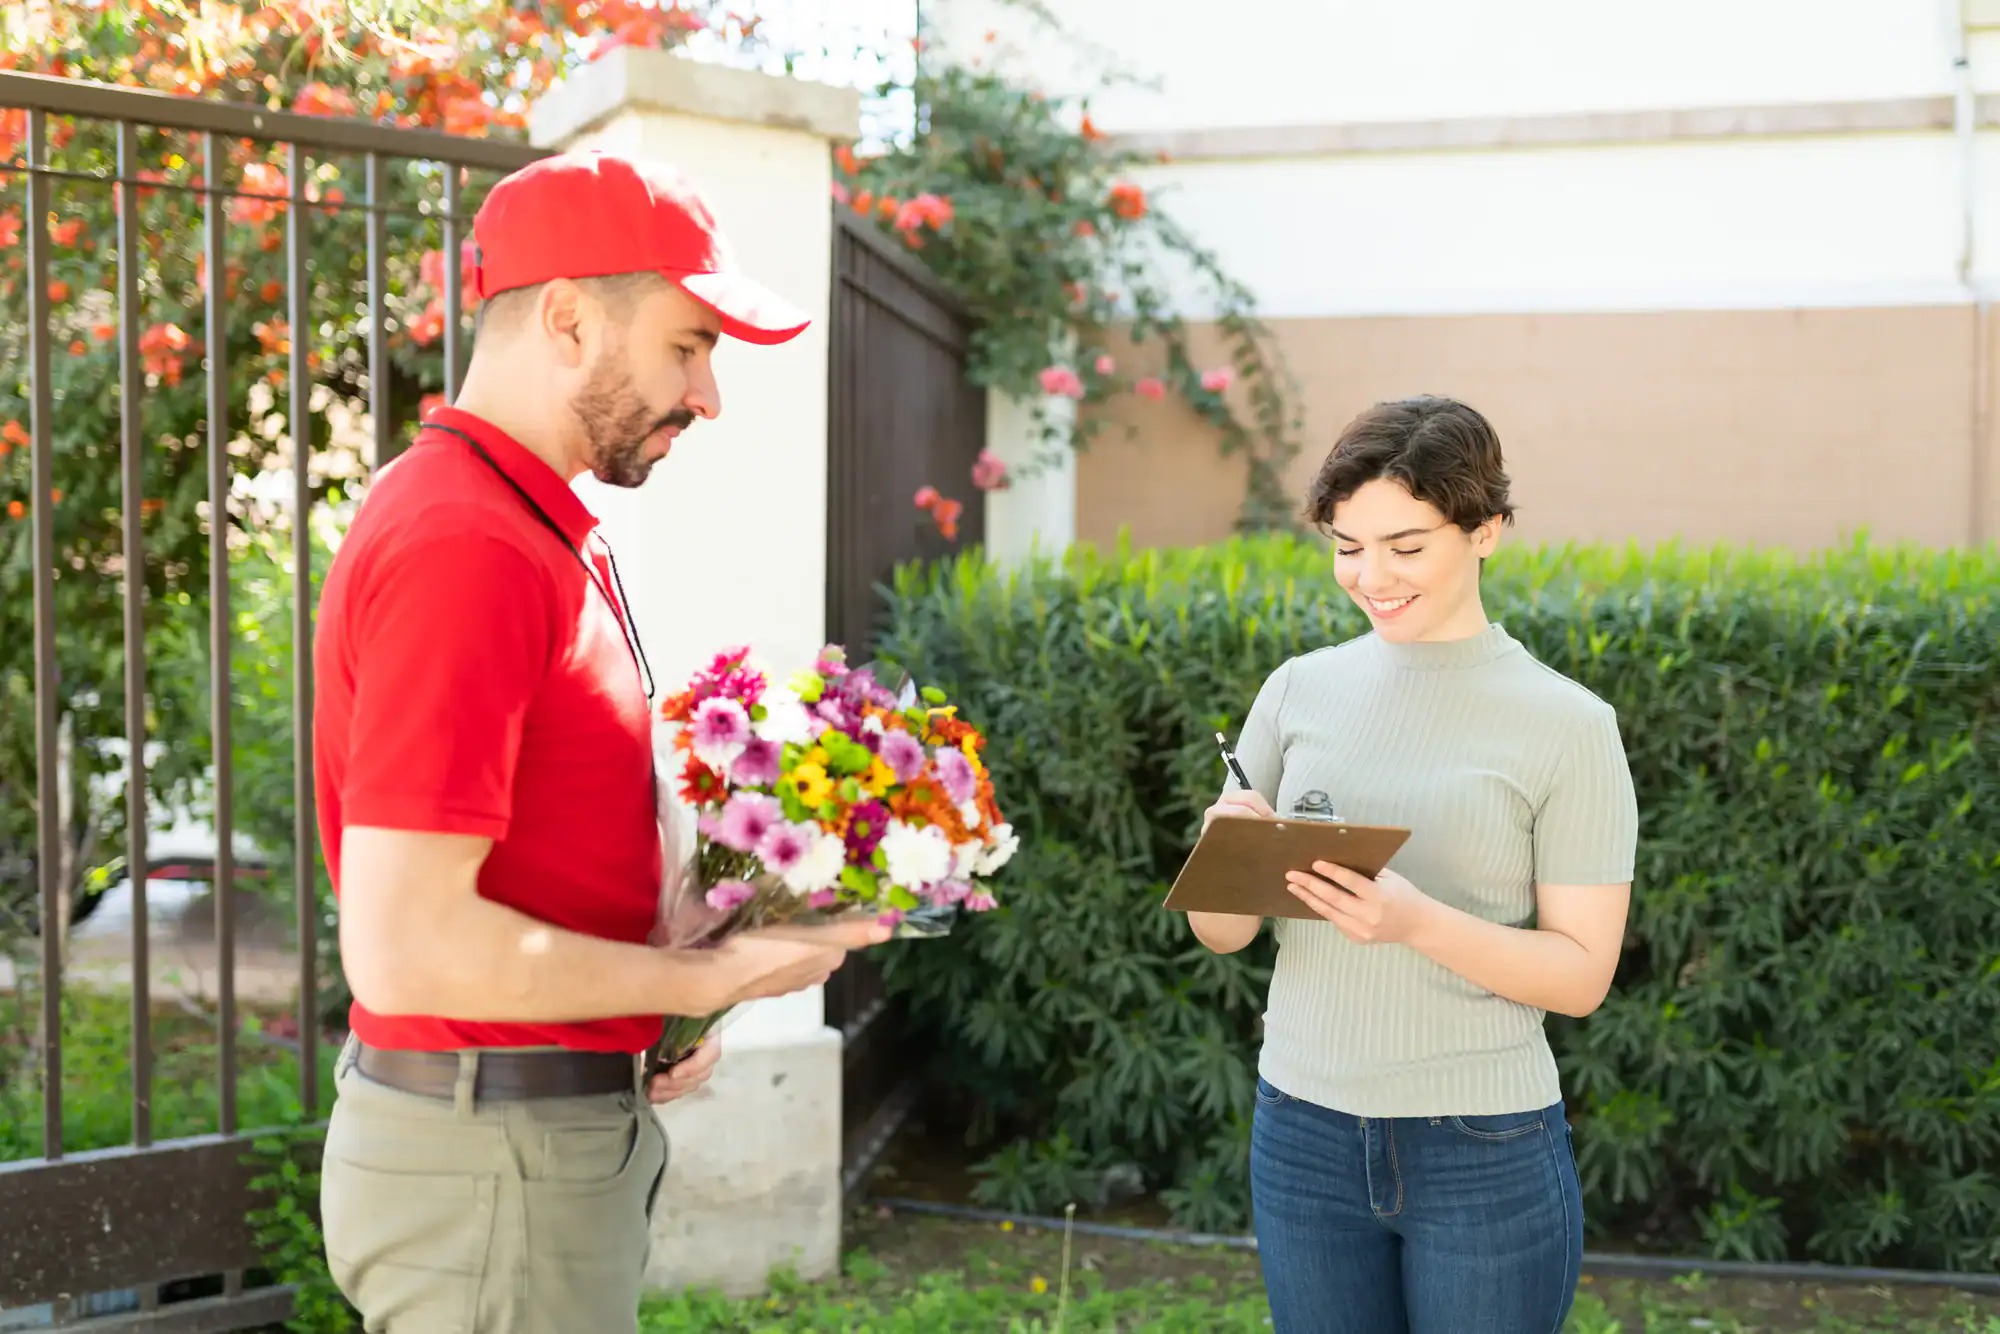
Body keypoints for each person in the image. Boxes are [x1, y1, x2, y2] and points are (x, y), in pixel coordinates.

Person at [310, 150, 890, 1334]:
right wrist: (707, 977)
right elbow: (407, 946)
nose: (710, 395)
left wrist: (648, 1012)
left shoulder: (528, 519)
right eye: (688, 344)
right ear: (568, 317)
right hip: (494, 1164)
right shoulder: (466, 542)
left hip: (525, 1144)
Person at [1190, 396, 1639, 1334]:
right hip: (1301, 1129)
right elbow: (1223, 934)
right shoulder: (1298, 690)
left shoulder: (1568, 725)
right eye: (1348, 546)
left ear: (1486, 531)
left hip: (1485, 1147)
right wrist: (1226, 846)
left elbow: (1582, 976)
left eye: (1405, 546)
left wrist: (1414, 921)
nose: (1371, 576)